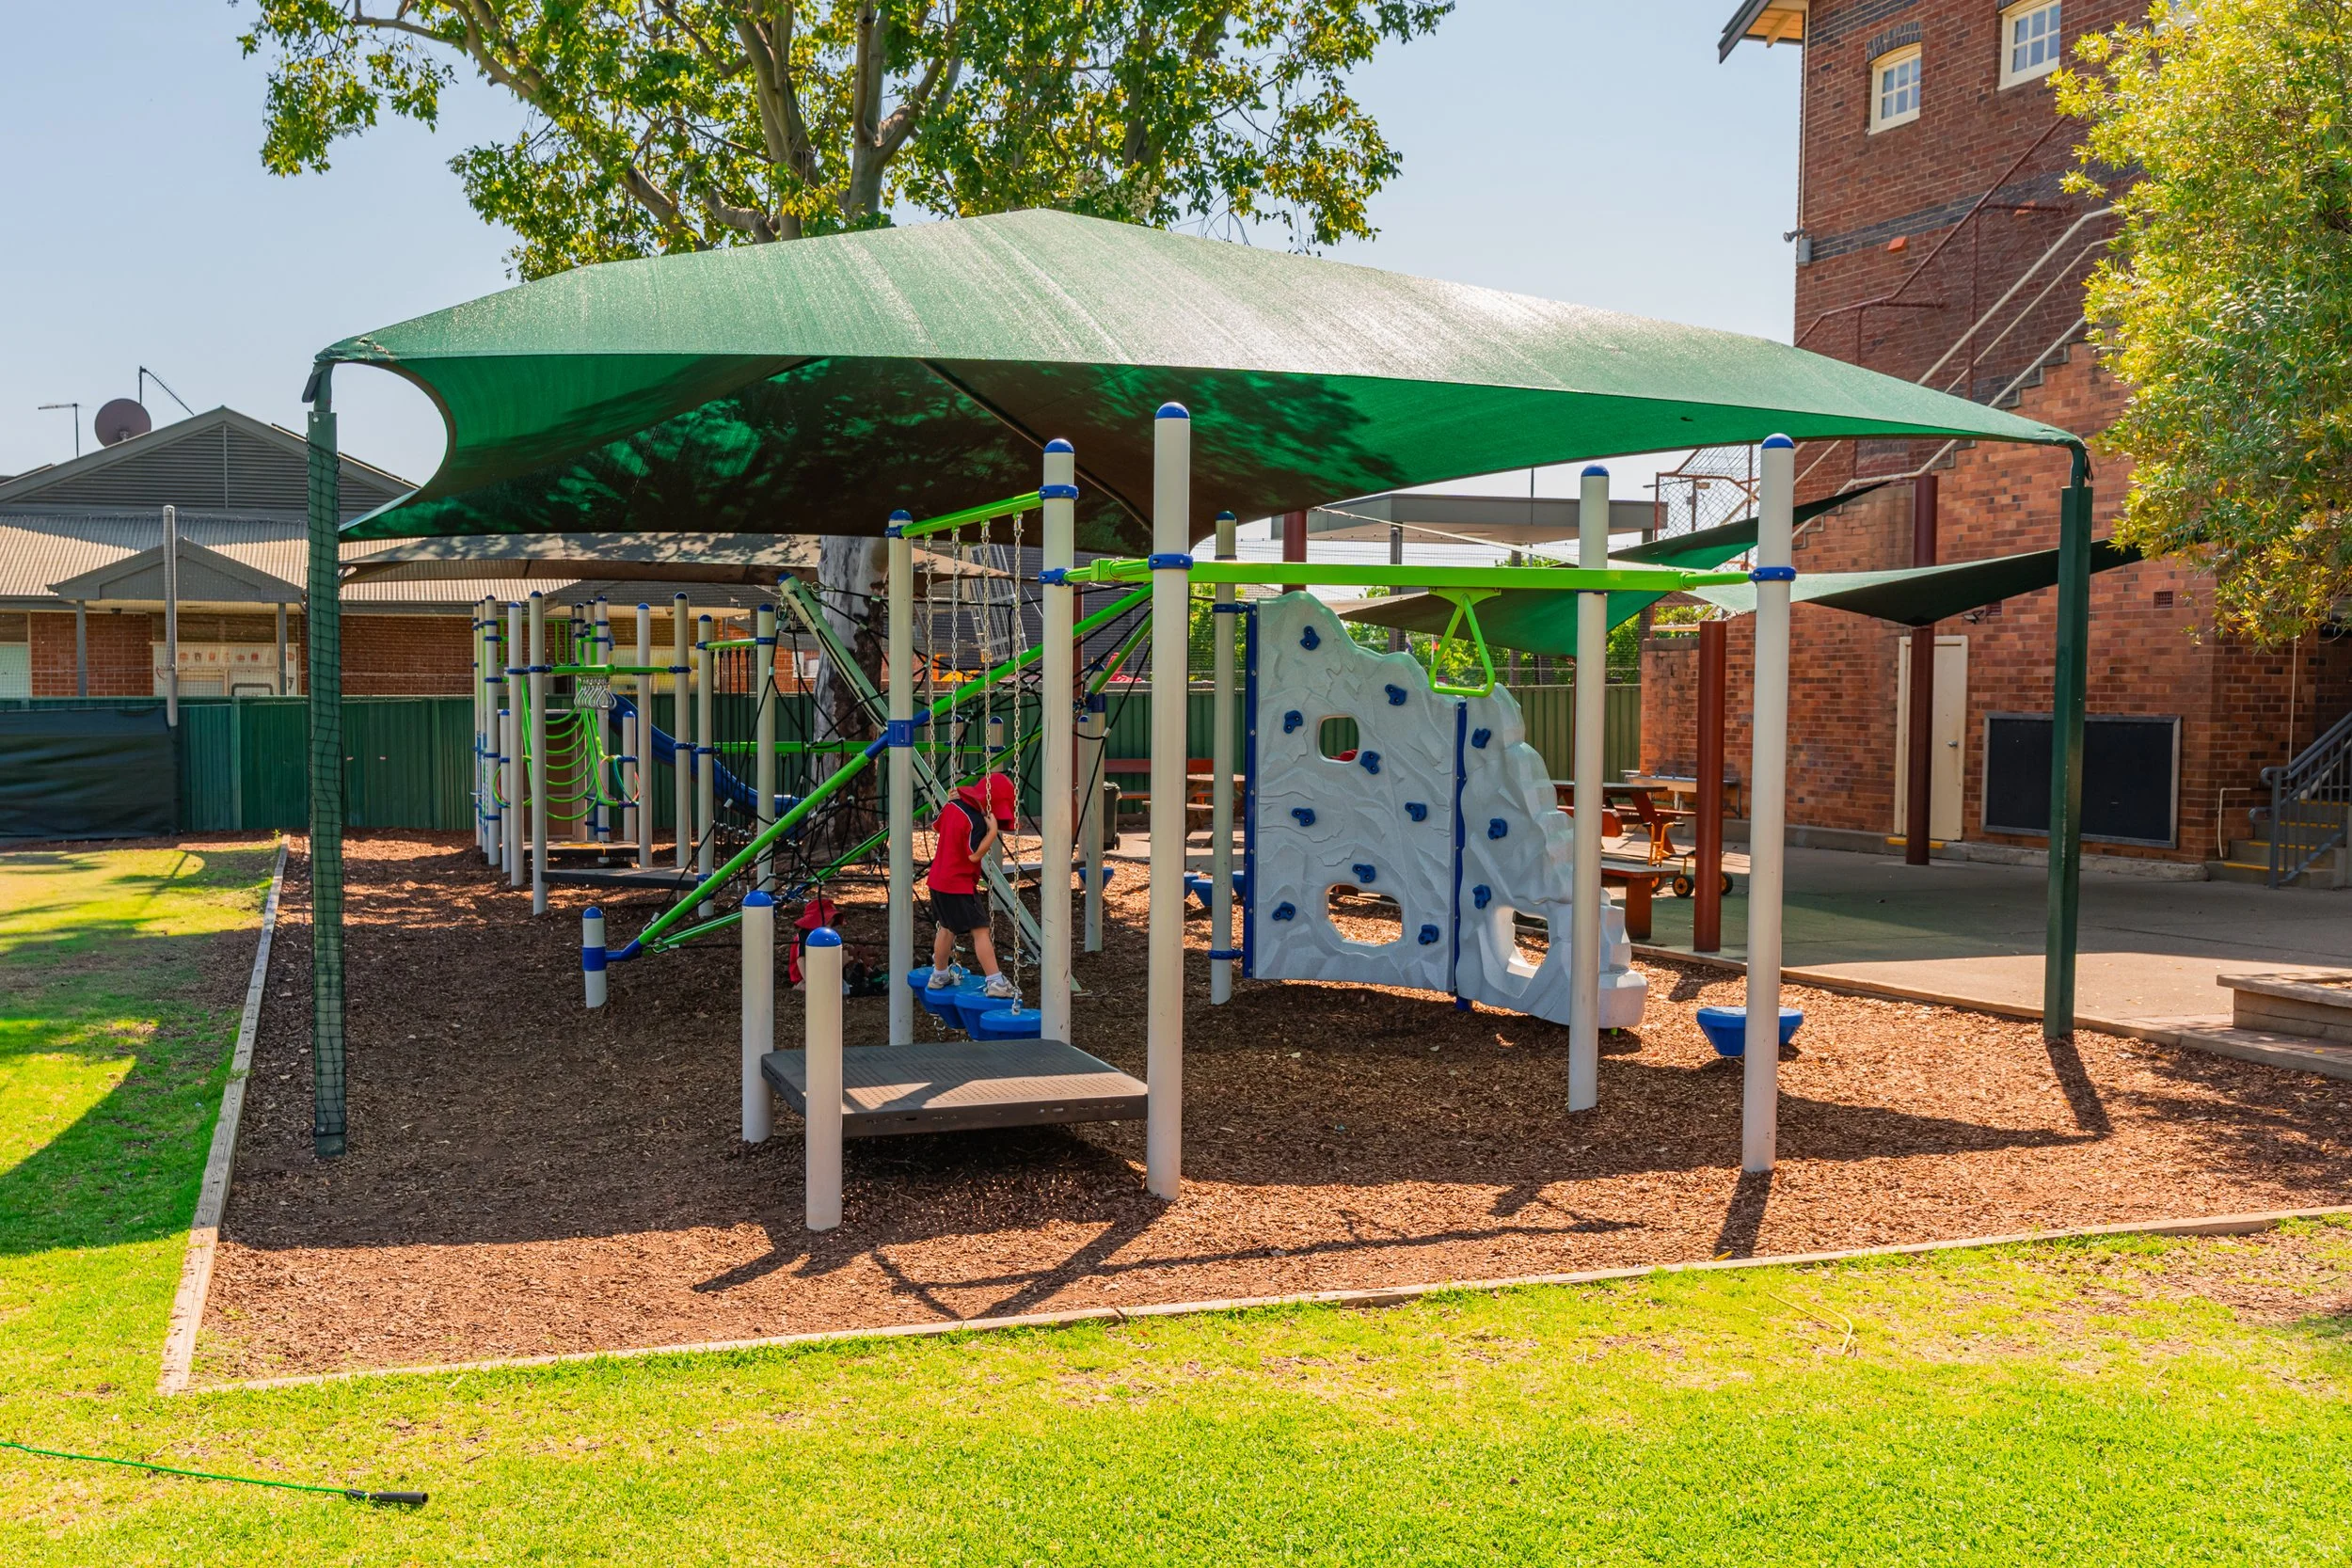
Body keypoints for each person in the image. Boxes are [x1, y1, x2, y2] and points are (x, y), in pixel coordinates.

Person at [927, 771, 1018, 1001]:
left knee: (946, 927)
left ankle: (939, 975)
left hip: (937, 881)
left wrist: (949, 804)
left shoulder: (952, 806)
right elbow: (974, 855)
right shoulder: (975, 820)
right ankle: (995, 981)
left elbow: (936, 827)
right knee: (980, 931)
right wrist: (992, 832)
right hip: (958, 884)